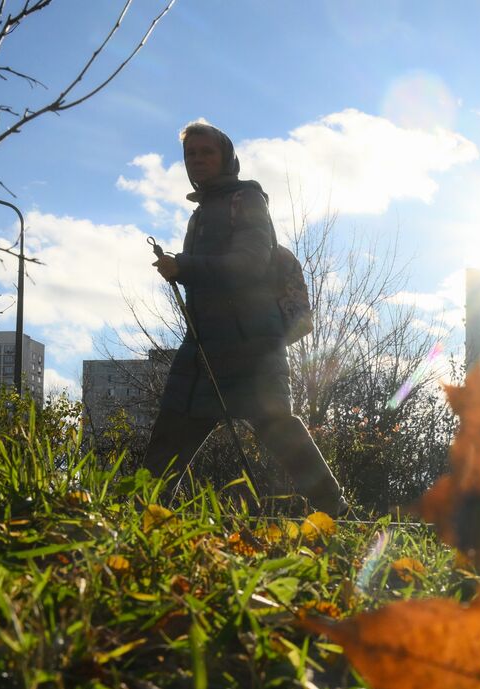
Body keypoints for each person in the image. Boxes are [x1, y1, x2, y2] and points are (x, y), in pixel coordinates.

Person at [141, 121, 346, 514]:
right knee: (170, 433)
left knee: (280, 430)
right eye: (190, 154)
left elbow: (251, 264)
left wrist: (184, 266)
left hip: (251, 343)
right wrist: (183, 270)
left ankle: (338, 515)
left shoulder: (247, 199)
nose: (197, 160)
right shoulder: (200, 214)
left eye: (206, 152)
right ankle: (141, 518)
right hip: (203, 346)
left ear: (226, 158)